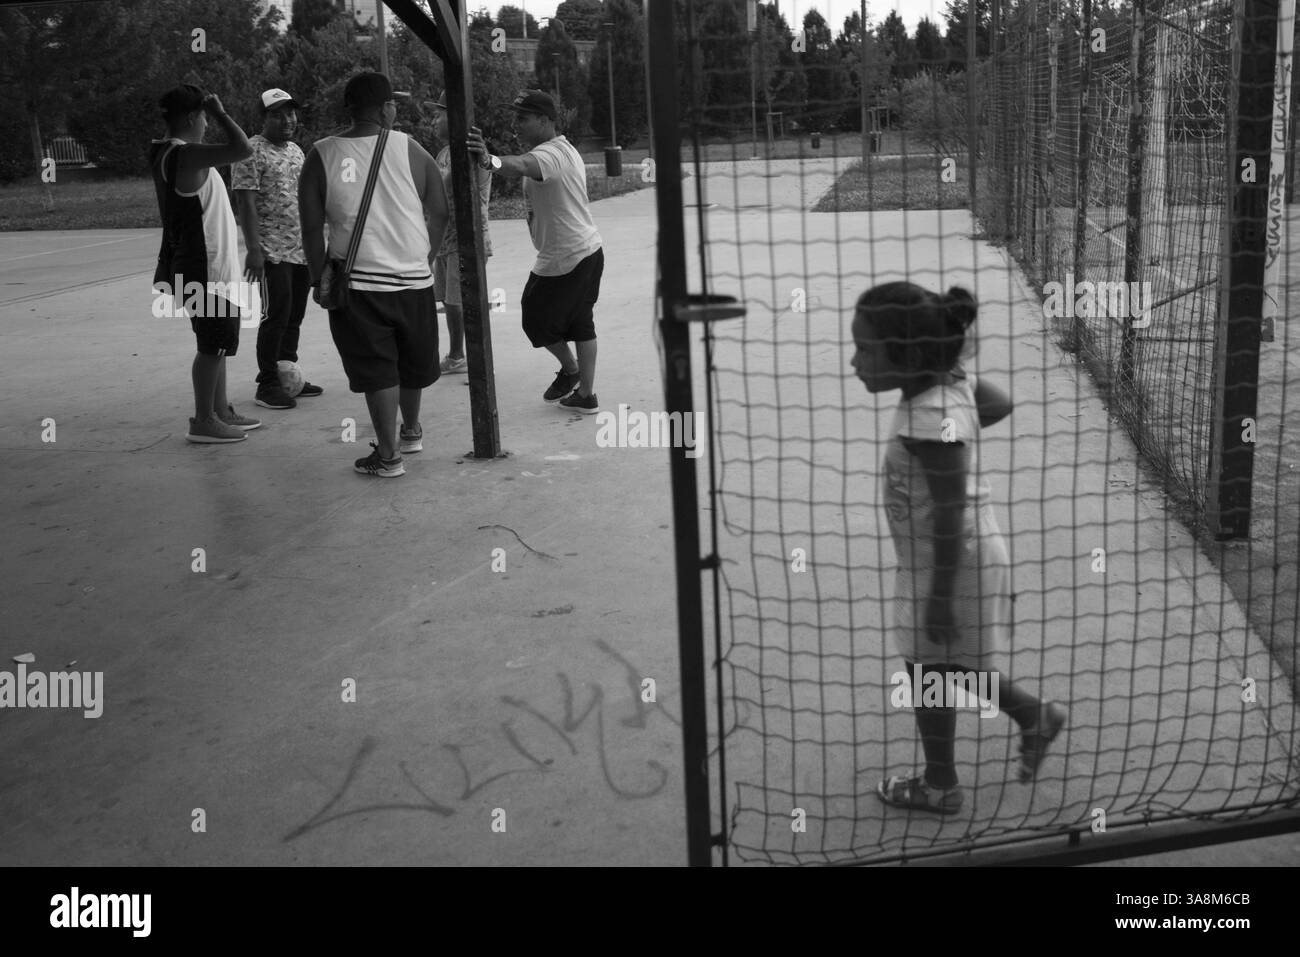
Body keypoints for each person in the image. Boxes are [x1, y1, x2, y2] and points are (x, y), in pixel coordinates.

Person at [850, 282, 1067, 814]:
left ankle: (940, 785)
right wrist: (955, 381)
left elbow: (949, 514)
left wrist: (939, 596)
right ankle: (1034, 714)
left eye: (865, 349)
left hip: (949, 561)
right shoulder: (938, 396)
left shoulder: (928, 420)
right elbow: (1000, 402)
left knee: (929, 672)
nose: (853, 360)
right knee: (946, 667)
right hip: (957, 555)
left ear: (908, 357)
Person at [298, 72, 448, 477]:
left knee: (378, 368)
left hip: (357, 286)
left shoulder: (321, 154)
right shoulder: (412, 149)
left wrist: (317, 277)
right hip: (414, 282)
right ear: (385, 109)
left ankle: (388, 455)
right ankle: (411, 431)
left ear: (349, 109)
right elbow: (439, 209)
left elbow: (311, 228)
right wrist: (426, 255)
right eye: (393, 103)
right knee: (411, 362)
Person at [465, 90, 603, 414]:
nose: (517, 124)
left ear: (545, 120)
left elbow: (522, 165)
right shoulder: (563, 150)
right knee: (581, 321)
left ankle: (573, 374)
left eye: (523, 118)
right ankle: (586, 393)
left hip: (567, 256)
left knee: (534, 318)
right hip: (586, 250)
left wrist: (490, 161)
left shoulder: (551, 154)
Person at [149, 84, 258, 444]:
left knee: (220, 342)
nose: (208, 125)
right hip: (203, 267)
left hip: (208, 265)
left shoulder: (168, 152)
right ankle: (203, 419)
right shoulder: (183, 155)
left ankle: (220, 409)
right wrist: (223, 113)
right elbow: (243, 149)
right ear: (193, 117)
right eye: (205, 118)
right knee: (211, 344)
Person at [232, 88, 323, 410]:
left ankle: (289, 373)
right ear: (264, 118)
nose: (287, 120)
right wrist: (254, 249)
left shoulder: (297, 151)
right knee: (276, 314)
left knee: (295, 314)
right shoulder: (250, 151)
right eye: (278, 114)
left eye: (291, 113)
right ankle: (268, 383)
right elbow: (245, 202)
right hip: (271, 250)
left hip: (299, 249)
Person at [423, 92, 493, 376]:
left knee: (461, 301)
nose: (432, 122)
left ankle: (470, 358)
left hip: (466, 242)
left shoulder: (470, 150)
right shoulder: (444, 153)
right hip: (445, 240)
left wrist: (484, 154)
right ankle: (457, 355)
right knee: (449, 301)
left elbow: (478, 170)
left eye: (437, 115)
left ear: (453, 116)